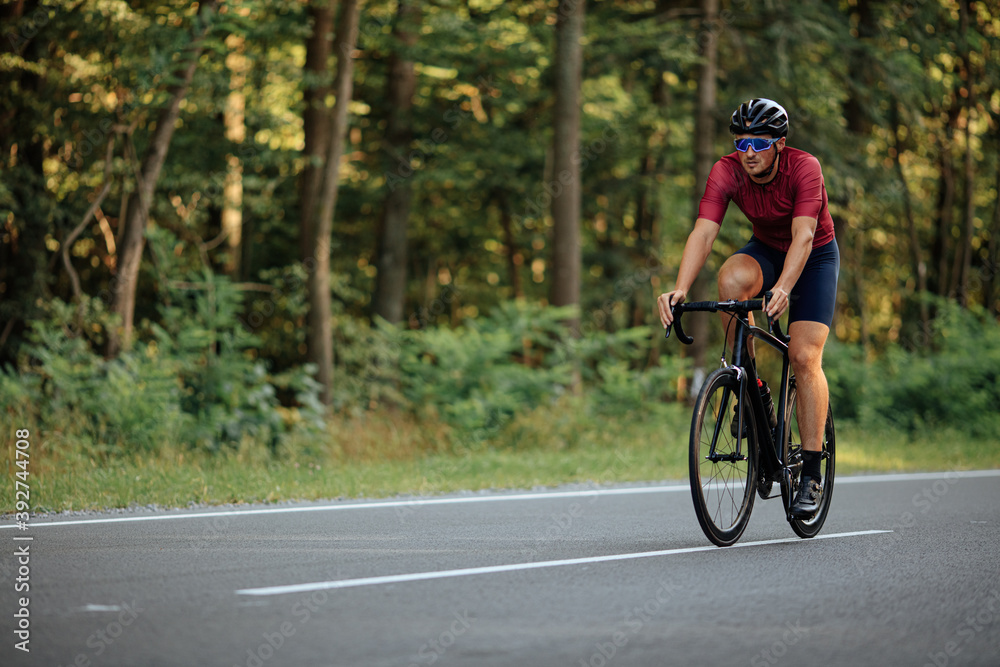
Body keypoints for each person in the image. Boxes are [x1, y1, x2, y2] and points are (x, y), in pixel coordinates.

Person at [656, 98, 839, 518]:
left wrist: (785, 287)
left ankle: (811, 471)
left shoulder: (804, 167)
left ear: (779, 143)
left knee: (803, 355)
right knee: (731, 281)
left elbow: (805, 235)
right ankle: (751, 387)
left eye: (759, 142)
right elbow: (704, 232)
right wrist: (679, 288)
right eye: (742, 143)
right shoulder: (727, 171)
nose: (750, 152)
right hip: (766, 251)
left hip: (813, 258)